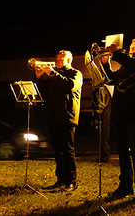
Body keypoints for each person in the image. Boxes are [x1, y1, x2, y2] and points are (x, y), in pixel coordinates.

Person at [101, 38, 135, 202]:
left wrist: (116, 53)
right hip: (120, 114)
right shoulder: (127, 65)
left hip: (134, 114)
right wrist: (105, 63)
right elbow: (112, 78)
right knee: (123, 153)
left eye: (132, 47)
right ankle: (125, 186)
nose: (129, 49)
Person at [35, 50, 83, 192]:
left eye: (61, 60)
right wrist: (38, 78)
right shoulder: (54, 75)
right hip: (53, 116)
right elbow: (43, 93)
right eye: (56, 59)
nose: (57, 62)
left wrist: (53, 73)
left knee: (68, 150)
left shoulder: (75, 74)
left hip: (68, 117)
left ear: (69, 60)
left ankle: (72, 181)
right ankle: (60, 179)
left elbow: (69, 86)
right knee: (57, 151)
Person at [92, 85, 111, 162]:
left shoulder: (100, 90)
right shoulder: (102, 89)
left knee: (102, 139)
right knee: (103, 139)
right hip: (105, 118)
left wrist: (97, 118)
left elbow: (100, 106)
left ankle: (104, 157)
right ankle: (103, 156)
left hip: (103, 119)